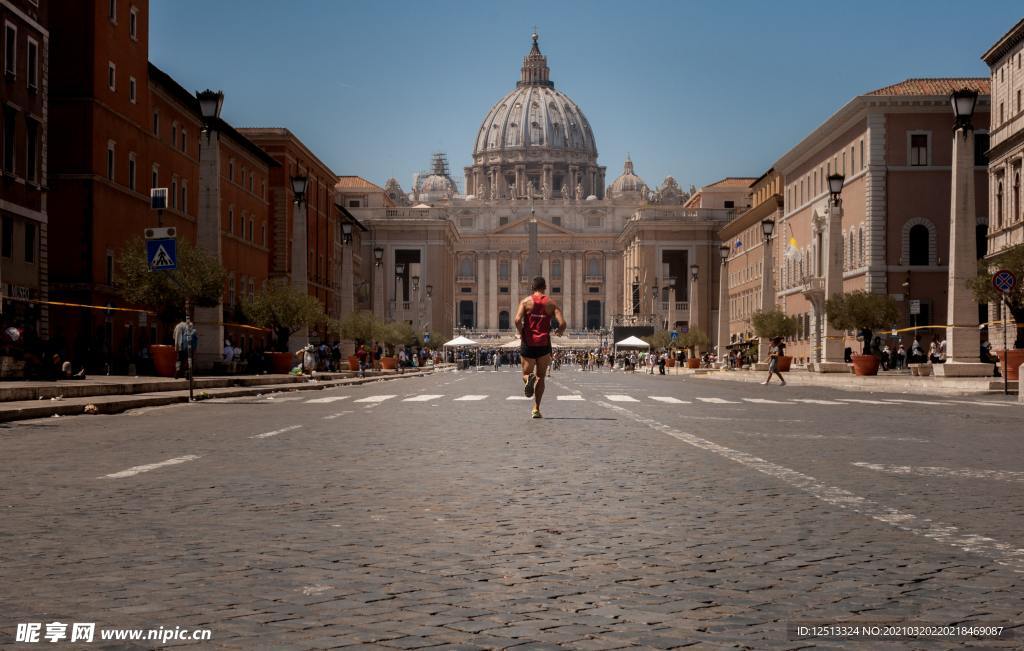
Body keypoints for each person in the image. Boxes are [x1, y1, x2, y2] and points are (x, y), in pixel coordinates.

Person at [514, 276, 566, 419]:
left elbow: (517, 319)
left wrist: (520, 331)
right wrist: (559, 331)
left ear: (532, 287)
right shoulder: (551, 303)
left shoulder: (525, 302)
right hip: (544, 343)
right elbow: (562, 323)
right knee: (541, 378)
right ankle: (536, 409)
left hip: (528, 342)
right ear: (545, 287)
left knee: (526, 374)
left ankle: (528, 379)